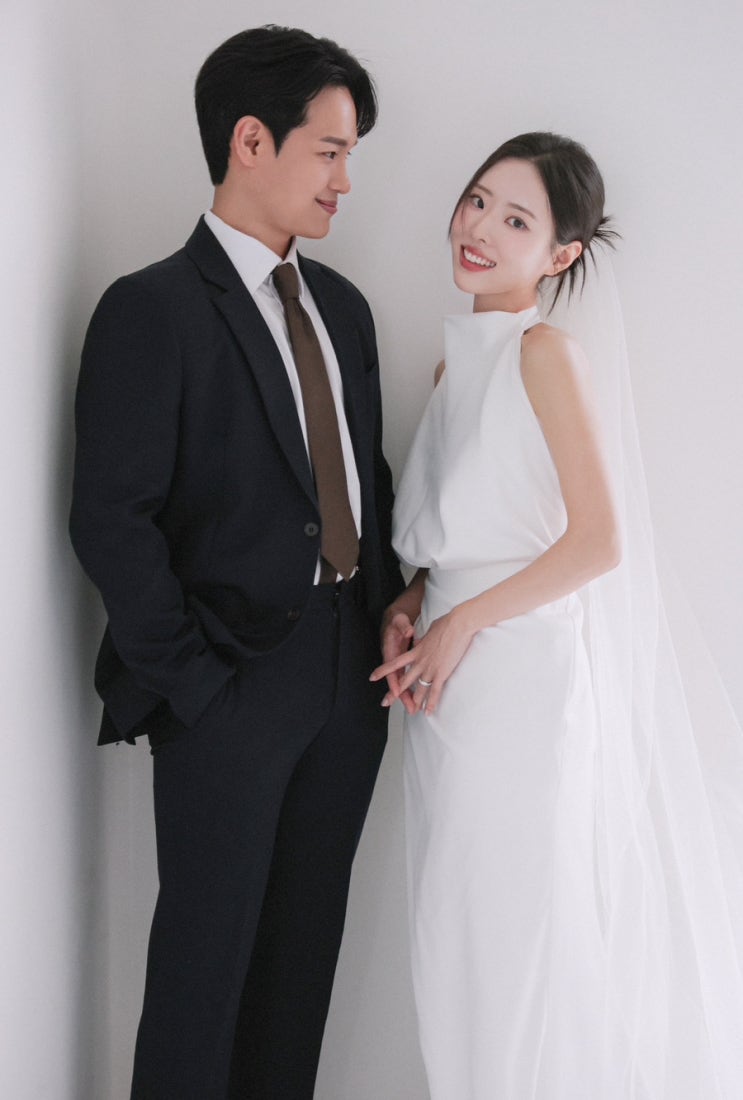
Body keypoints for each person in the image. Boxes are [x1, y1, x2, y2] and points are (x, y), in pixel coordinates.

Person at [69, 25, 402, 1100]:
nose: (345, 180)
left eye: (350, 155)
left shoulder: (342, 308)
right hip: (228, 681)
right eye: (329, 151)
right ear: (250, 140)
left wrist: (391, 614)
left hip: (346, 677)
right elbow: (111, 519)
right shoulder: (151, 308)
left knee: (298, 973)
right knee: (201, 974)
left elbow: (365, 482)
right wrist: (198, 688)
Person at [374, 133, 743, 1098]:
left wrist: (462, 623)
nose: (479, 229)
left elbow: (597, 542)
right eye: (476, 201)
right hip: (446, 689)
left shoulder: (543, 357)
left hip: (519, 685)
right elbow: (453, 541)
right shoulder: (453, 370)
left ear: (560, 254)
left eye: (515, 220)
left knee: (519, 927)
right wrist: (414, 605)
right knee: (455, 924)